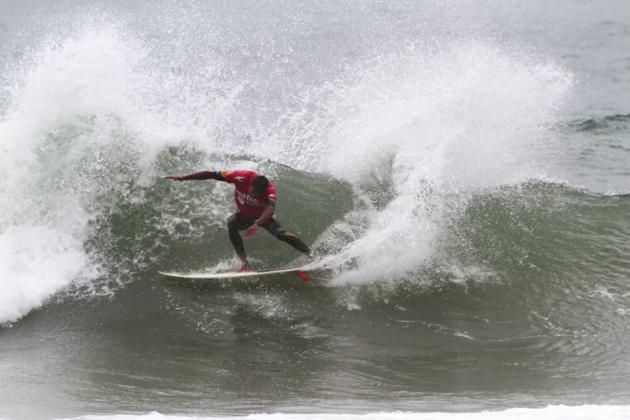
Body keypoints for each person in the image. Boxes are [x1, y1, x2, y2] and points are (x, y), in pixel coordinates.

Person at [165, 169, 314, 271]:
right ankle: (245, 265)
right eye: (254, 192)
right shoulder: (239, 176)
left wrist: (257, 223)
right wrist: (184, 178)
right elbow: (211, 174)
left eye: (258, 195)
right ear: (250, 184)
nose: (255, 196)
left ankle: (314, 257)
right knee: (231, 224)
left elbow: (270, 209)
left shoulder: (270, 190)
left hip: (262, 217)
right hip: (243, 214)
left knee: (280, 234)